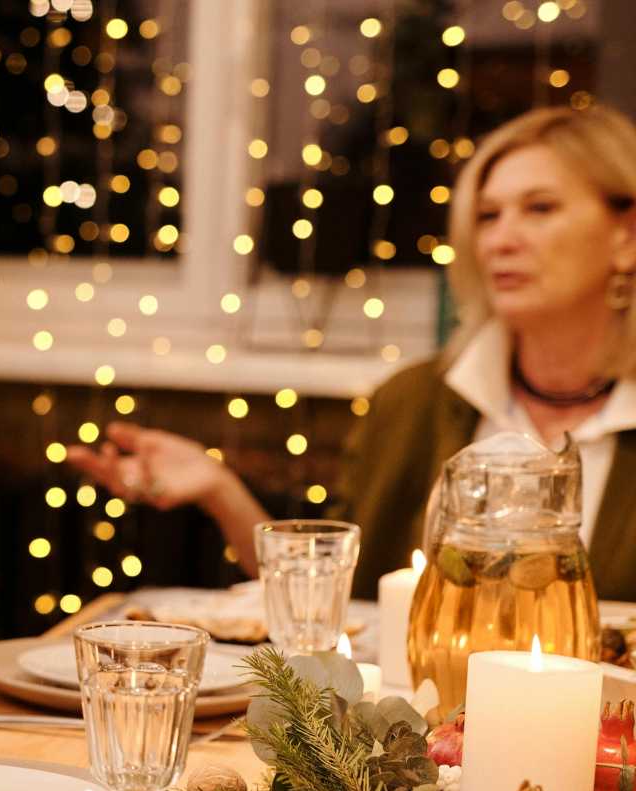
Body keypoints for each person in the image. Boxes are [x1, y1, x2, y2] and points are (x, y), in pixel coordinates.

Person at [69, 105, 636, 599]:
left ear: (626, 235)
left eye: (539, 209)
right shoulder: (414, 401)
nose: (500, 239)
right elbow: (334, 595)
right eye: (488, 215)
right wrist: (220, 489)